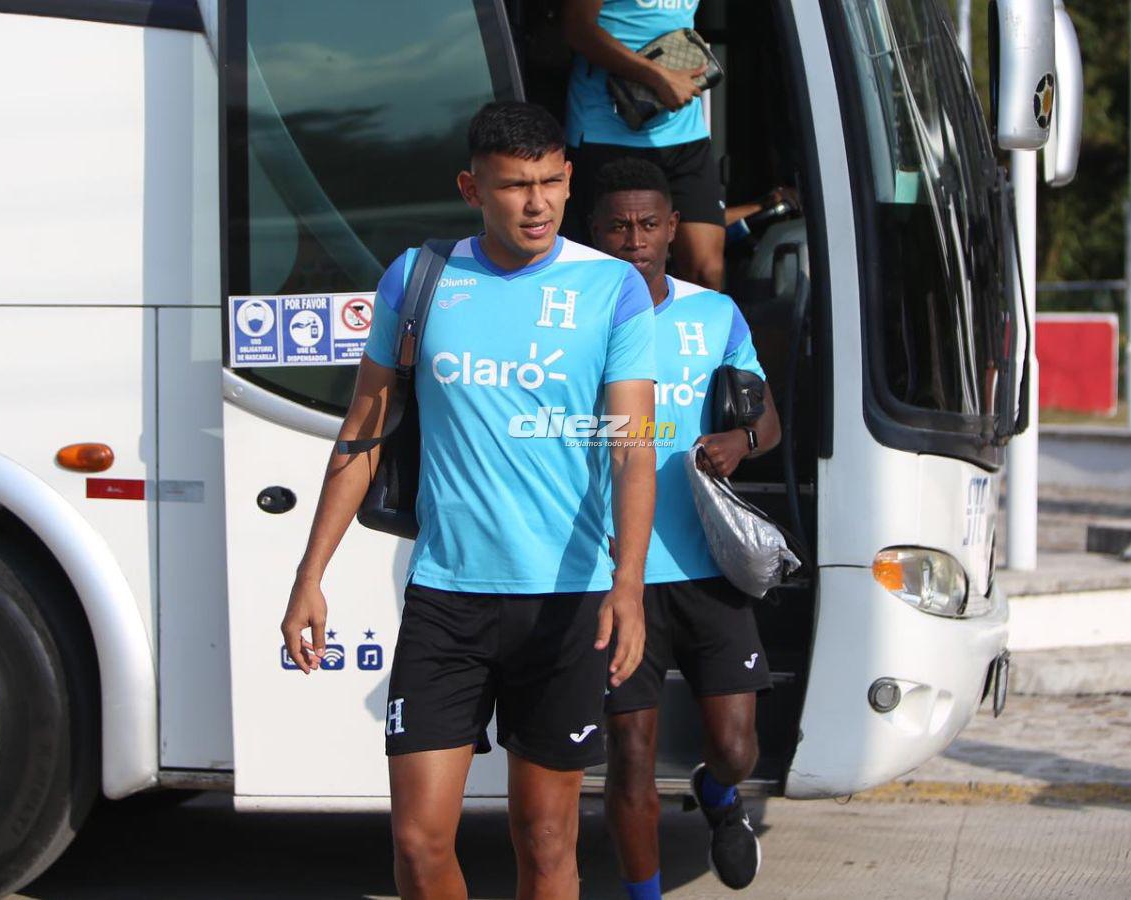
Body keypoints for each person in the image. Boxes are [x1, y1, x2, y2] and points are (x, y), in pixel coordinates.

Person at [280, 102, 658, 900]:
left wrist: (628, 582)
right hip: (447, 599)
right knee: (418, 843)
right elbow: (364, 431)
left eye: (552, 182)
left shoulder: (611, 288)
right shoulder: (417, 279)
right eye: (516, 186)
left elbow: (633, 449)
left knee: (546, 838)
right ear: (471, 187)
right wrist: (310, 573)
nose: (538, 204)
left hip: (567, 602)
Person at [588, 157, 781, 898]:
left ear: (673, 228)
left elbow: (765, 417)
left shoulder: (715, 314)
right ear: (594, 232)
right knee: (630, 755)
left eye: (647, 224)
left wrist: (741, 441)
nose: (634, 239)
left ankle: (721, 795)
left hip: (708, 566)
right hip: (615, 576)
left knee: (736, 747)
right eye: (617, 226)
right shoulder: (577, 317)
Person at [563, 0, 727, 291]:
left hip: (684, 131)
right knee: (617, 276)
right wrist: (656, 76)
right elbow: (577, 28)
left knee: (706, 273)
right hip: (606, 132)